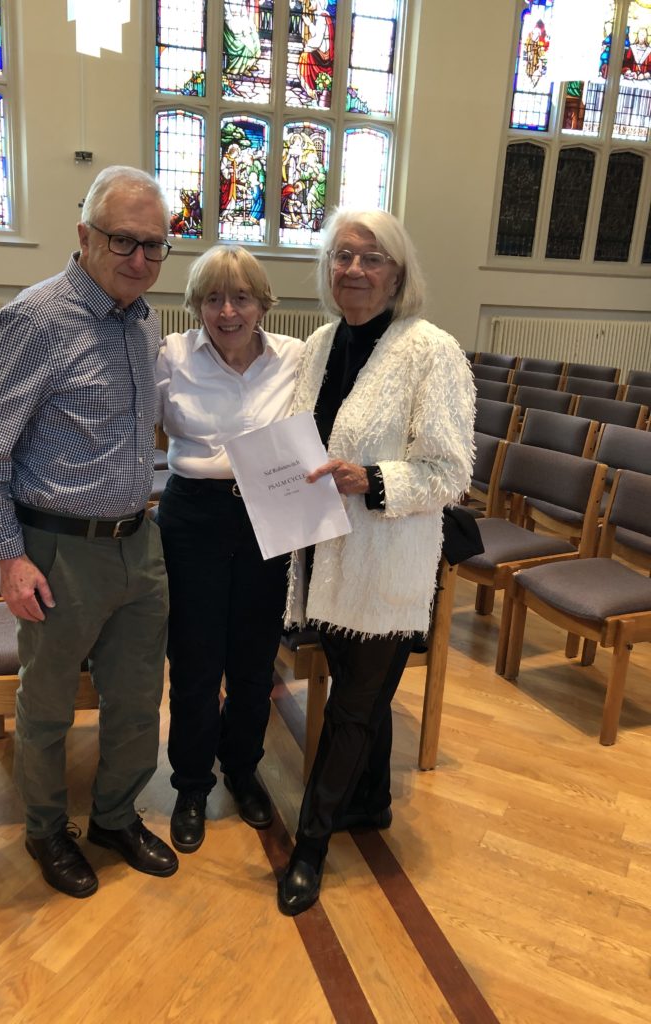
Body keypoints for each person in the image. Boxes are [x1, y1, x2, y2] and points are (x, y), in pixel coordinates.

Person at [0, 166, 178, 899]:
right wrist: (10, 559)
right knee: (47, 705)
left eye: (155, 246)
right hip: (57, 551)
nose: (140, 260)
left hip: (137, 544)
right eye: (124, 241)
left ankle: (114, 816)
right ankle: (48, 831)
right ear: (84, 236)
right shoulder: (36, 320)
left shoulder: (143, 323)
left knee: (139, 696)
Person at [277, 208, 475, 916]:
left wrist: (374, 479)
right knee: (362, 692)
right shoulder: (321, 343)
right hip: (323, 552)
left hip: (387, 557)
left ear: (398, 271)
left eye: (372, 258)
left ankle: (311, 847)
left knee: (354, 709)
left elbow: (451, 472)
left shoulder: (431, 350)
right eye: (342, 256)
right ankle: (371, 803)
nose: (355, 270)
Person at [155, 245, 302, 854]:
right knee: (194, 660)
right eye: (212, 298)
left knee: (252, 661)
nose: (227, 310)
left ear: (263, 303)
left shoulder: (296, 356)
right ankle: (191, 783)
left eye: (241, 297)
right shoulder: (171, 355)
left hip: (270, 509)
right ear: (196, 306)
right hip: (194, 513)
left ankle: (242, 769)